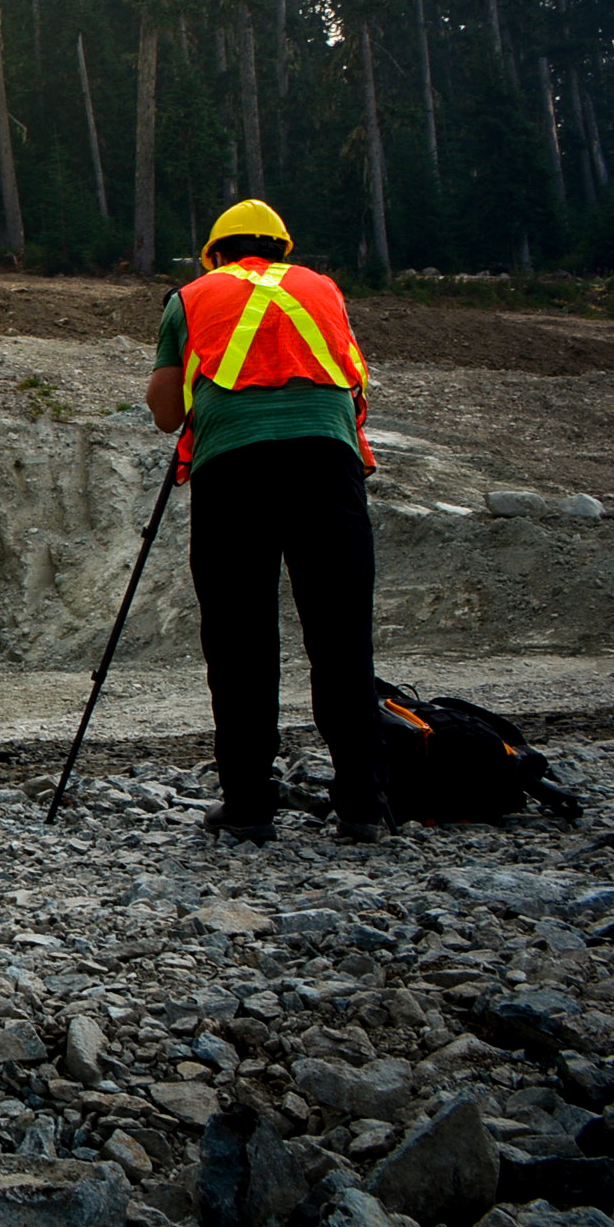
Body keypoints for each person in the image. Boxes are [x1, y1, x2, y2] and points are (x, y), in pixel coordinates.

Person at [145, 200, 387, 845]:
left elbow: (168, 414)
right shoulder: (323, 290)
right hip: (327, 466)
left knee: (240, 638)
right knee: (340, 636)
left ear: (215, 255)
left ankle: (250, 803)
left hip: (235, 475)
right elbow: (350, 378)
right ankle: (362, 802)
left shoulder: (190, 298)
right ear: (283, 249)